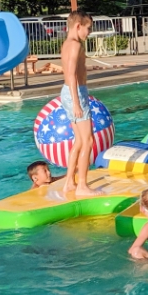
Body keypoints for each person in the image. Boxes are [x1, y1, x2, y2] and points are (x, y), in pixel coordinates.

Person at [60, 11, 103, 197]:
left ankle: (69, 182)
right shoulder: (75, 45)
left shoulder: (67, 44)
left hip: (71, 92)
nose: (89, 33)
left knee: (78, 141)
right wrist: (77, 102)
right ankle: (82, 186)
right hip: (74, 93)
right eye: (88, 28)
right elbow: (70, 74)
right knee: (88, 141)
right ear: (78, 26)